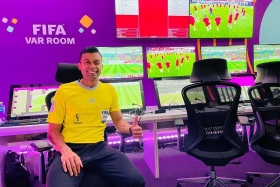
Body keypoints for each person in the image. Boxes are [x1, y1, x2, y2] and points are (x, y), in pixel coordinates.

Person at [46, 46, 145, 187]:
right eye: (87, 62)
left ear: (102, 66)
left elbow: (119, 122)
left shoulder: (109, 90)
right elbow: (52, 132)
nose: (92, 66)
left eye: (96, 62)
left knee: (136, 181)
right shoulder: (64, 91)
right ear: (79, 66)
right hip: (71, 148)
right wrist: (65, 151)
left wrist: (130, 129)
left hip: (100, 148)